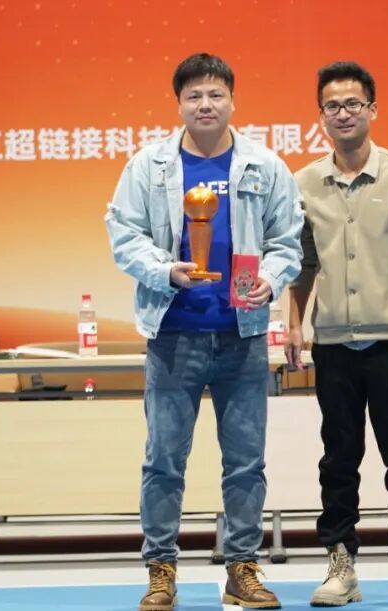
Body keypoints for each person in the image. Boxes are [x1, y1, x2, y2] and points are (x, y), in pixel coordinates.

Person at [104, 52, 303, 611]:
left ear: (233, 101)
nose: (205, 104)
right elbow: (124, 235)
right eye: (194, 96)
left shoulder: (264, 165)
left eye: (215, 94)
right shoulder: (149, 166)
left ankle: (242, 568)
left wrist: (270, 278)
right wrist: (164, 270)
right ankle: (161, 570)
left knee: (246, 463)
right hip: (173, 335)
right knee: (163, 461)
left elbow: (288, 239)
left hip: (242, 335)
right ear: (179, 104)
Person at [286, 61, 388, 607]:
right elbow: (301, 262)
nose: (343, 113)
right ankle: (341, 564)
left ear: (372, 110)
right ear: (320, 117)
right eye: (332, 106)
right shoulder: (304, 183)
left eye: (353, 103)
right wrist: (293, 322)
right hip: (333, 343)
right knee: (338, 457)